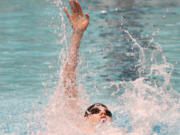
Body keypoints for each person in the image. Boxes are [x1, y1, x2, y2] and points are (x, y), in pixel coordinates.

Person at [63, 0, 112, 133]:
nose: (104, 114)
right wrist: (77, 34)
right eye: (96, 111)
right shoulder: (75, 129)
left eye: (108, 113)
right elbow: (68, 80)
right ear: (85, 117)